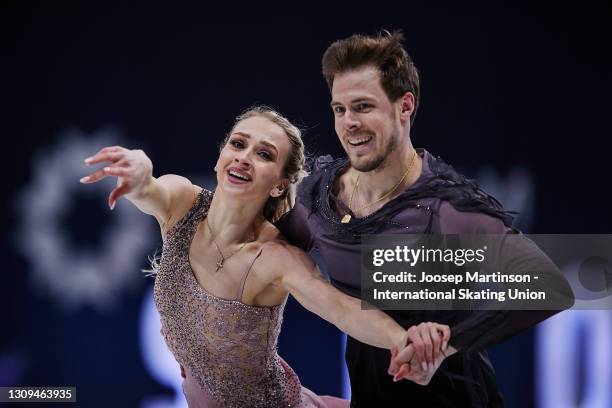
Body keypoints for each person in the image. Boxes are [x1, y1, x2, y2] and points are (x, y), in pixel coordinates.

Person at [275, 30, 574, 407]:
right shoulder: (319, 199)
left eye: (363, 106)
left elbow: (549, 287)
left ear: (405, 106)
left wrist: (448, 342)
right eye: (339, 109)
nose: (348, 122)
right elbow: (259, 256)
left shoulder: (447, 208)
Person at [80, 106, 451, 407]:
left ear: (279, 185)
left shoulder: (274, 258)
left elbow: (341, 309)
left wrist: (404, 343)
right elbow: (149, 190)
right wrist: (141, 176)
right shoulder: (182, 204)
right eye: (238, 145)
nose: (244, 159)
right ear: (219, 157)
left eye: (263, 155)